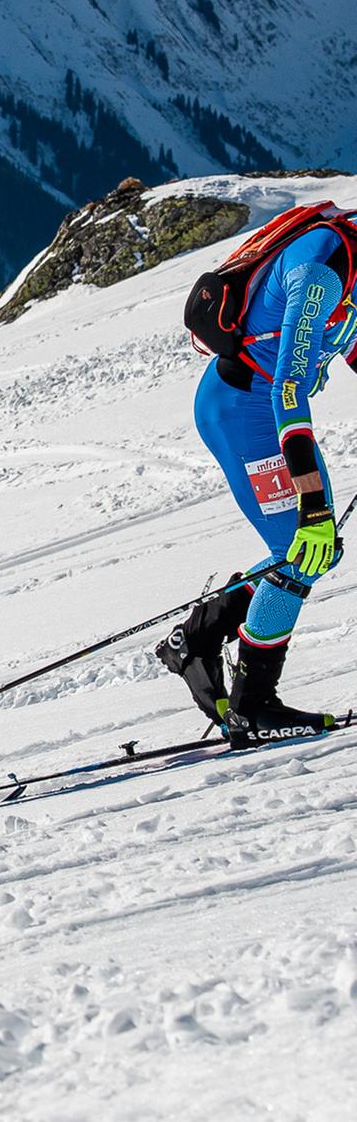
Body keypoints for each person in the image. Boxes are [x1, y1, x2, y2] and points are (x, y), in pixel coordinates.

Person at [158, 213, 356, 747]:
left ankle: (196, 641)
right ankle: (252, 707)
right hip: (244, 411)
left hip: (251, 405)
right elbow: (287, 391)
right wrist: (313, 506)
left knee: (307, 549)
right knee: (306, 547)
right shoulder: (321, 269)